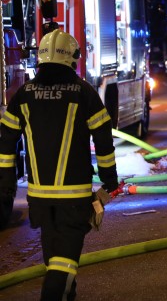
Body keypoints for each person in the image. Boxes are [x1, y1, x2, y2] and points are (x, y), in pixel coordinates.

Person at [0, 29, 118, 300]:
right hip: (73, 200)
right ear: (71, 60)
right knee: (63, 265)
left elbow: (5, 141)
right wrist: (109, 180)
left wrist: (6, 184)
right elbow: (103, 136)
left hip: (40, 200)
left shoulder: (24, 94)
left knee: (55, 259)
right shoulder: (83, 92)